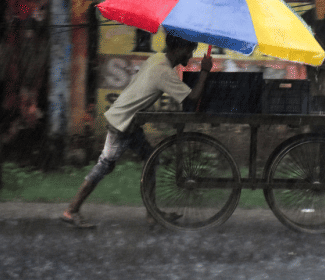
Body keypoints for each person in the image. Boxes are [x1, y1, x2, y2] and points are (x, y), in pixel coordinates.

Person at [61, 32, 212, 228]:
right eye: (189, 51)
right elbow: (193, 98)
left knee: (150, 158)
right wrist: (205, 72)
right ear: (180, 49)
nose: (190, 56)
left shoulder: (157, 59)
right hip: (124, 123)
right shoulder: (163, 71)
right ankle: (71, 210)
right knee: (105, 165)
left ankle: (151, 214)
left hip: (127, 121)